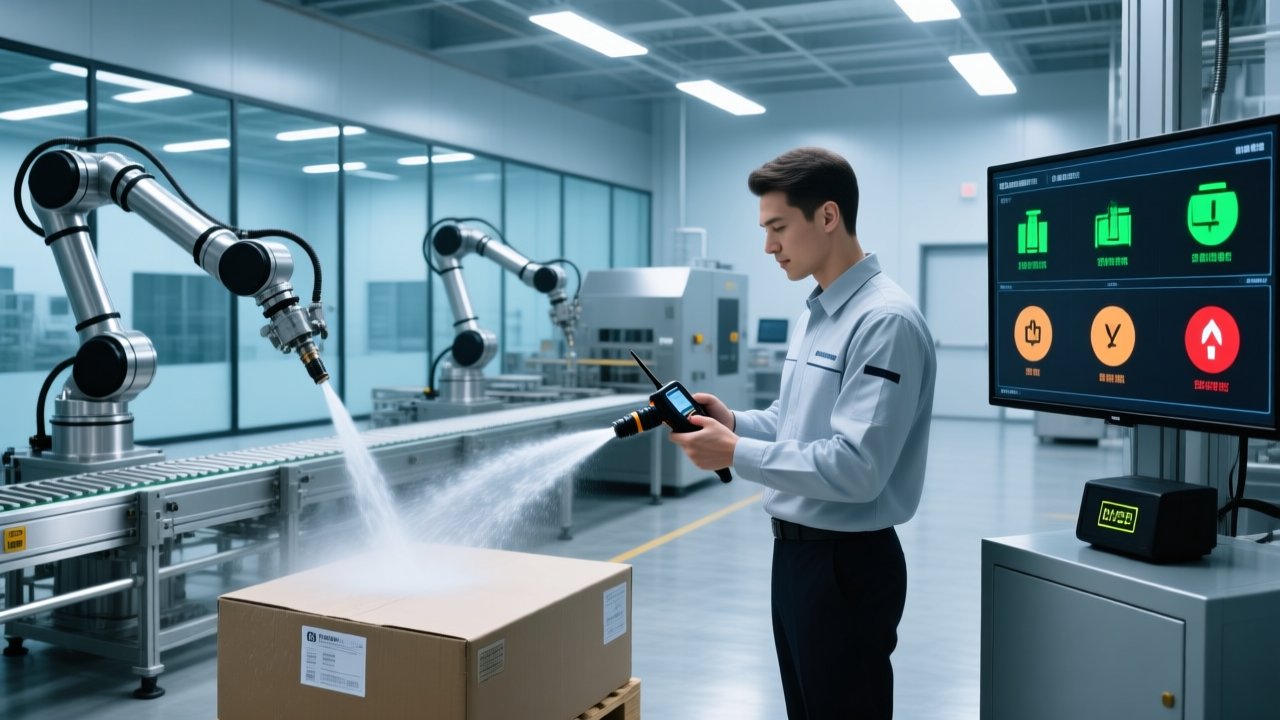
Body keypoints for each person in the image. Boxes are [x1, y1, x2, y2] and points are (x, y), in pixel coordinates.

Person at [670, 147, 936, 719]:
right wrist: (733, 423)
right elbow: (794, 423)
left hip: (846, 565)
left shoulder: (883, 321)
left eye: (778, 227)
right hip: (795, 559)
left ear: (828, 216)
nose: (769, 246)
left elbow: (858, 467)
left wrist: (735, 453)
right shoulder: (817, 313)